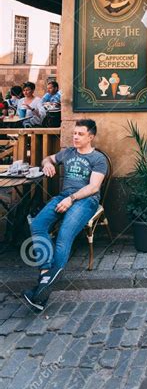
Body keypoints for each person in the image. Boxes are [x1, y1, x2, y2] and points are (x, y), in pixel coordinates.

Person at [22, 119, 108, 313]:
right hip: (63, 197)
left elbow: (94, 187)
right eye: (74, 133)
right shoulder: (68, 152)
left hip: (85, 201)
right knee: (37, 225)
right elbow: (48, 158)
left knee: (64, 235)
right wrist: (47, 164)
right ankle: (46, 274)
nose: (75, 137)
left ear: (91, 137)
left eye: (80, 134)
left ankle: (42, 289)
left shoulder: (98, 159)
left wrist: (71, 198)